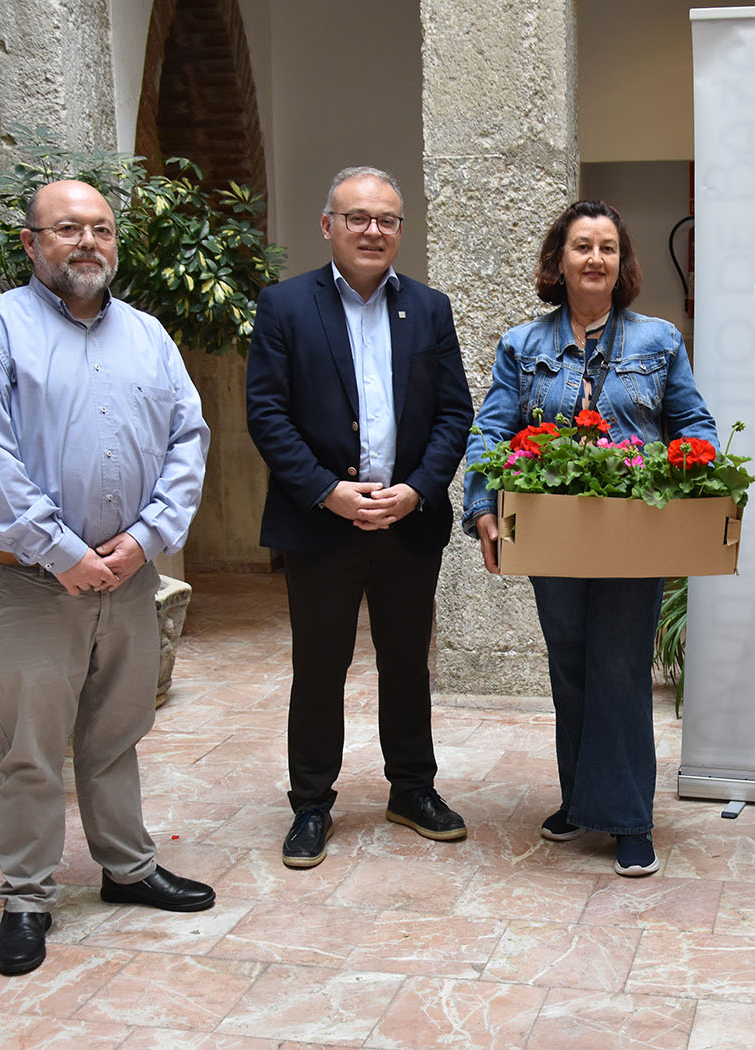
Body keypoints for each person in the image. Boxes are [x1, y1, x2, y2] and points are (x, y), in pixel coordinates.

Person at [0, 180, 216, 977]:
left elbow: (187, 441)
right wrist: (62, 552)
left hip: (129, 580)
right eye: (67, 228)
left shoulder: (148, 337)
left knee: (116, 735)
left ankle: (127, 867)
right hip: (32, 585)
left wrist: (144, 539)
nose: (87, 242)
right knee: (32, 750)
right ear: (31, 243)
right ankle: (27, 896)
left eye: (101, 228)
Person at [464, 199, 717, 877]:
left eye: (608, 247)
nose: (595, 258)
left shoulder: (658, 341)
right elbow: (490, 430)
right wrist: (483, 506)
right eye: (582, 246)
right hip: (552, 531)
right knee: (569, 662)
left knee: (620, 665)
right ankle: (580, 799)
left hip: (635, 529)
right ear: (560, 260)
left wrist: (695, 481)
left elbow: (693, 422)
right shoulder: (522, 346)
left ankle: (629, 818)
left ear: (621, 262)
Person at [246, 166, 473, 870]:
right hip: (320, 523)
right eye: (357, 218)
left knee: (406, 663)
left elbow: (454, 412)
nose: (373, 230)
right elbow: (267, 414)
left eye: (387, 220)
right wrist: (327, 491)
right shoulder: (285, 305)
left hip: (407, 522)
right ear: (328, 226)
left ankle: (412, 789)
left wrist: (418, 490)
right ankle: (312, 803)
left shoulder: (429, 309)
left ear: (400, 230)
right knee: (320, 666)